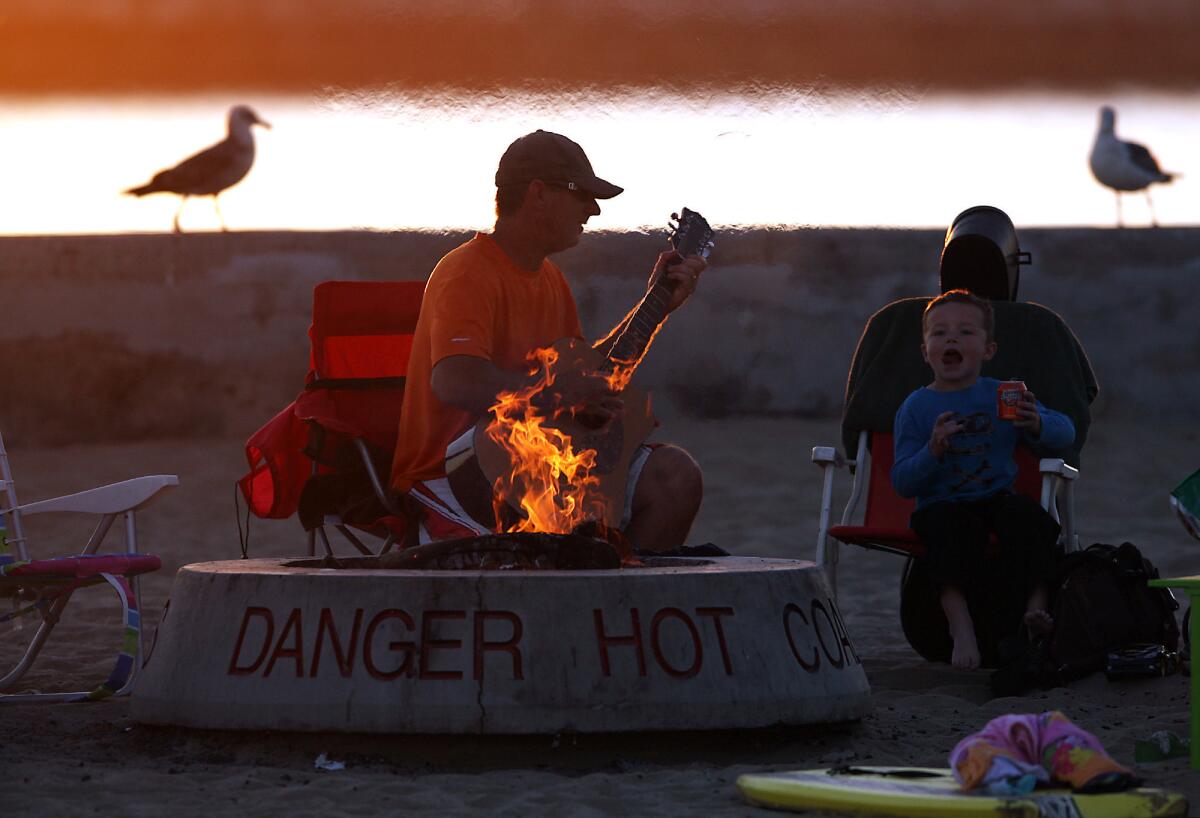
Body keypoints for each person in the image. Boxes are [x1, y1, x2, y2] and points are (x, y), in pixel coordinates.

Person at [389, 130, 707, 551]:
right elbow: (455, 381)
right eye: (582, 195)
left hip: (543, 466)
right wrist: (560, 396)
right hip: (456, 476)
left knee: (675, 477)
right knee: (549, 537)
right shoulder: (465, 272)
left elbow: (588, 378)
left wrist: (656, 305)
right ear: (538, 193)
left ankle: (613, 604)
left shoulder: (551, 280)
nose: (593, 211)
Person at [891, 289, 1075, 670]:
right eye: (939, 333)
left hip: (995, 497)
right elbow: (903, 481)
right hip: (941, 504)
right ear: (926, 352)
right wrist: (933, 451)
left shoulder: (1002, 395)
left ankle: (1035, 612)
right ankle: (961, 627)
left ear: (988, 350)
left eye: (965, 332)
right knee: (945, 529)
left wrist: (1037, 422)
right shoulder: (916, 407)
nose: (952, 339)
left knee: (1033, 519)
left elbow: (1066, 432)